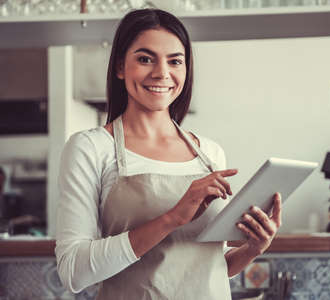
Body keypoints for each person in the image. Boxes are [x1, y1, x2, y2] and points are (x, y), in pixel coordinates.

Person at [55, 8, 282, 300]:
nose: (162, 73)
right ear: (121, 66)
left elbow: (209, 266)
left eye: (175, 61)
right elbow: (73, 272)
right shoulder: (90, 148)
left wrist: (252, 249)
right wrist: (172, 218)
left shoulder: (209, 152)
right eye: (145, 58)